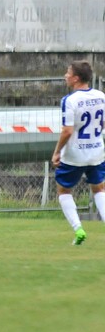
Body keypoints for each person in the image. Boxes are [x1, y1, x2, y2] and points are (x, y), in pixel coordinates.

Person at [51, 60, 105, 245]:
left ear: (75, 78)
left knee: (64, 190)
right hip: (96, 151)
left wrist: (57, 152)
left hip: (74, 155)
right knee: (99, 189)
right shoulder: (101, 96)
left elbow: (67, 130)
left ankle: (78, 229)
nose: (65, 75)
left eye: (68, 72)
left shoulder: (69, 100)